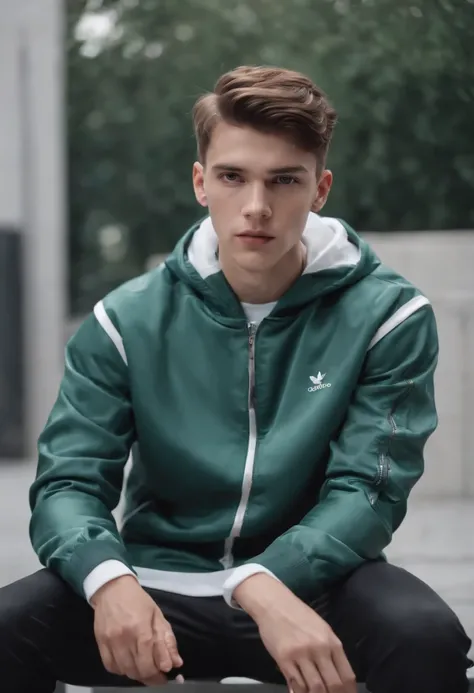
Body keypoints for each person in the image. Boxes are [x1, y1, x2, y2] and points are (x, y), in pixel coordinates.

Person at [0, 65, 472, 693]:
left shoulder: (388, 316)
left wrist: (266, 579)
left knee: (424, 638)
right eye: (232, 176)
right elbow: (67, 481)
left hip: (310, 583)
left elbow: (368, 488)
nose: (256, 206)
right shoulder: (125, 321)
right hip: (155, 582)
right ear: (201, 182)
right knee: (9, 625)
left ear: (321, 188)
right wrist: (108, 579)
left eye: (284, 180)